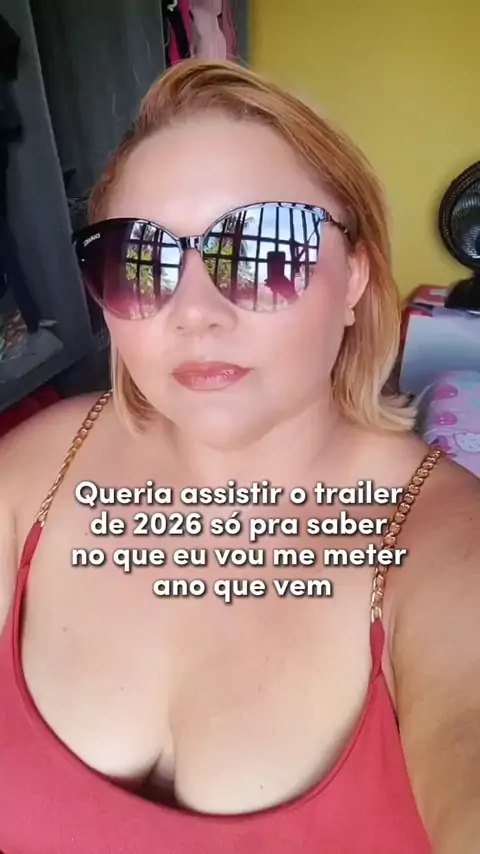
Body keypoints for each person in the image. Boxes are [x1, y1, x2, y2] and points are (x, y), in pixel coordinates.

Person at [0, 59, 478, 854]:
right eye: (139, 259)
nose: (194, 311)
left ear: (354, 277)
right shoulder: (35, 470)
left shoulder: (445, 551)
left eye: (262, 250)